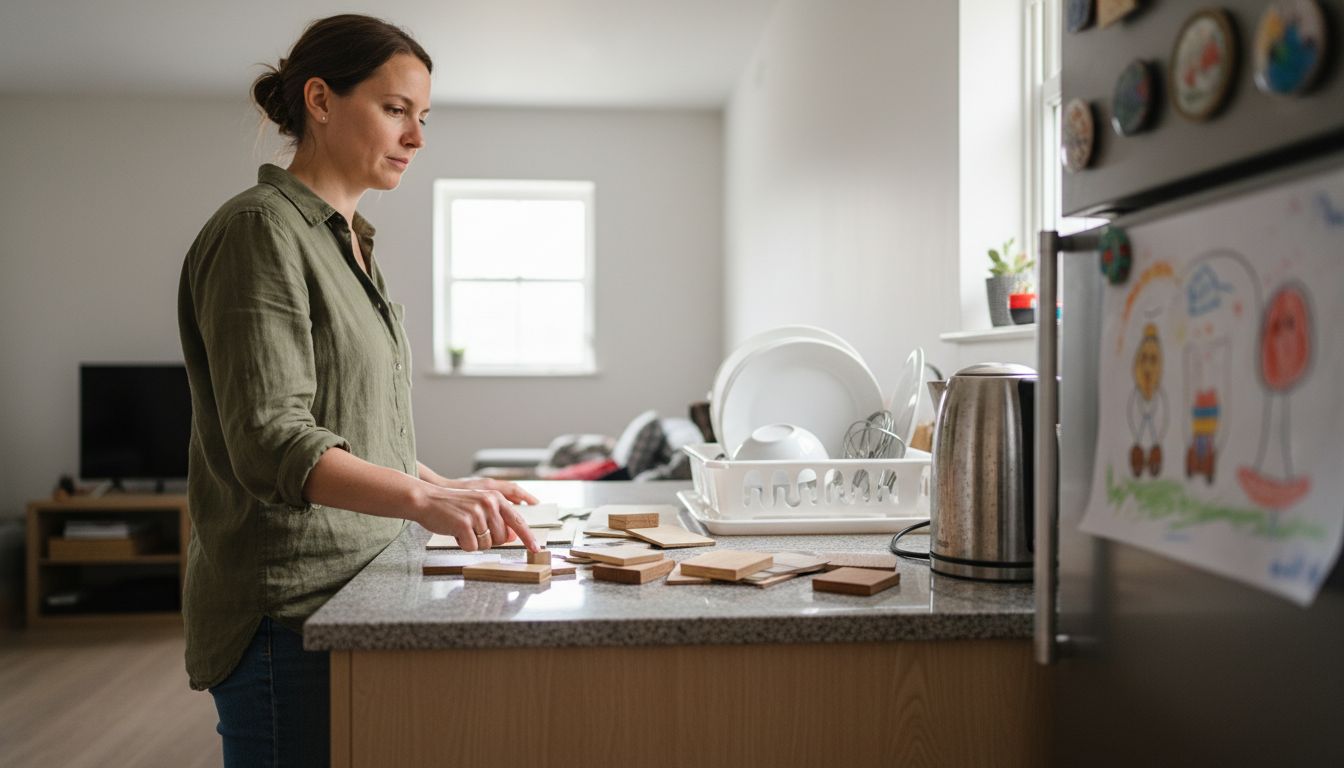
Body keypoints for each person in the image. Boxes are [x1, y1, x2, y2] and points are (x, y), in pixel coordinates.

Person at [176, 14, 540, 767]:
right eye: (396, 109)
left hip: (356, 586)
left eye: (423, 117)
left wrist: (445, 484)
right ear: (320, 99)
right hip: (289, 608)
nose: (417, 137)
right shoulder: (259, 230)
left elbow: (355, 427)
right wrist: (426, 502)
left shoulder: (348, 243)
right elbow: (273, 439)